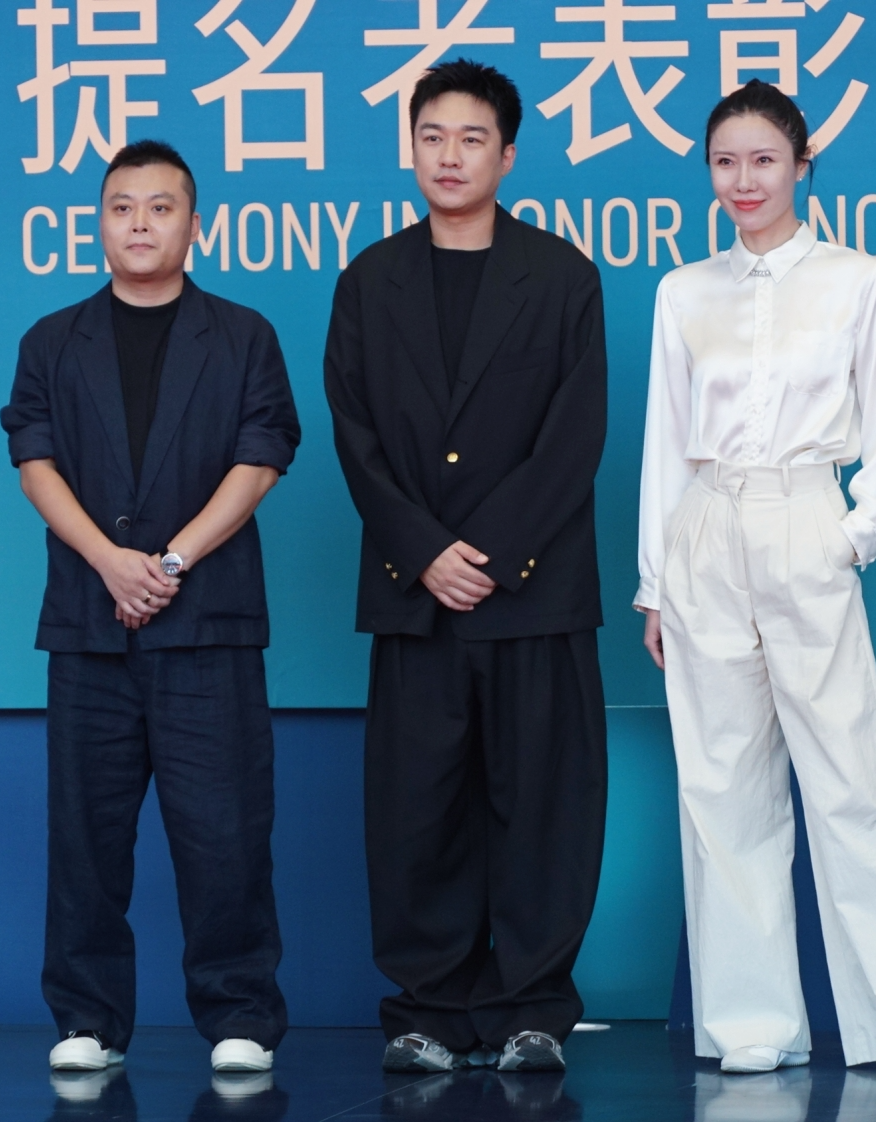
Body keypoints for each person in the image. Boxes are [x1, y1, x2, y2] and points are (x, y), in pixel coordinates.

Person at [634, 81, 876, 1080]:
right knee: (721, 788)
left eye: (763, 160)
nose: (742, 180)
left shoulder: (856, 279)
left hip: (805, 519)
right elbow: (665, 439)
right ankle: (754, 1024)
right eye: (724, 162)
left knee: (854, 781)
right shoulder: (682, 291)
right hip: (706, 526)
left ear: (801, 166)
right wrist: (654, 583)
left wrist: (854, 535)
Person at [324, 59, 610, 1074]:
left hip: (534, 595)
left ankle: (533, 1009)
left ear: (508, 155)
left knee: (542, 808)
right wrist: (424, 552)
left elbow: (574, 435)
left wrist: (486, 555)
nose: (450, 156)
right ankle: (428, 1012)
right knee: (417, 811)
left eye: (472, 138)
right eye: (432, 137)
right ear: (410, 148)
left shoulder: (562, 277)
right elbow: (353, 433)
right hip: (417, 599)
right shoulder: (369, 281)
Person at [0, 139, 300, 1076]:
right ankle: (87, 1021)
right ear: (98, 224)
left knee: (226, 831)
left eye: (160, 207)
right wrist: (108, 562)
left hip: (208, 621)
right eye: (122, 207)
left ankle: (240, 1016)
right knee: (86, 836)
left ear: (194, 225)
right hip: (89, 626)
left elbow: (262, 458)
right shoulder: (52, 340)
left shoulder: (243, 335)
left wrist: (168, 563)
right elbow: (33, 460)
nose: (139, 223)